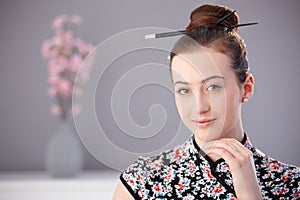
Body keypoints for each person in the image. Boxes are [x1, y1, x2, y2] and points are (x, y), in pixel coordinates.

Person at [113, 4, 300, 199]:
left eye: (213, 87)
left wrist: (250, 193)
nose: (200, 107)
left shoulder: (292, 184)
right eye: (184, 90)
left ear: (246, 88)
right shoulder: (142, 181)